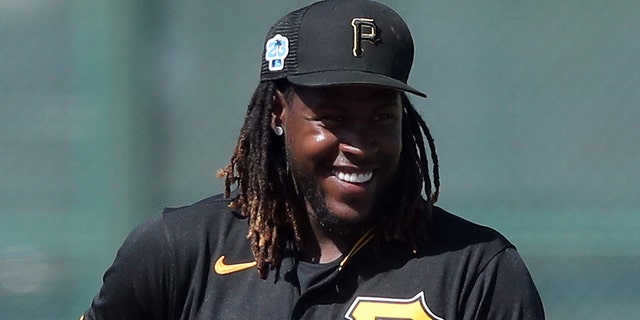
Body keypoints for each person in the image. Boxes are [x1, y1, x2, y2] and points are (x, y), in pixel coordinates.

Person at [82, 0, 545, 319]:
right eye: (333, 117)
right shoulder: (178, 251)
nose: (359, 143)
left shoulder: (477, 270)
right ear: (280, 115)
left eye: (381, 117)